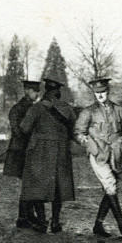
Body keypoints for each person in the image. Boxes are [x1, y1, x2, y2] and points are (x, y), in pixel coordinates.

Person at [75, 77, 122, 239]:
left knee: (110, 188)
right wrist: (90, 145)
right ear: (93, 94)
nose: (100, 95)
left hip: (115, 155)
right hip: (98, 155)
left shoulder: (118, 109)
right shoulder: (88, 111)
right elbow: (78, 133)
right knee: (110, 186)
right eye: (97, 93)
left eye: (103, 92)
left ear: (107, 91)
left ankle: (98, 225)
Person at [19, 77, 76, 233]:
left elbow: (24, 128)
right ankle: (55, 222)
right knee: (58, 187)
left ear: (46, 91)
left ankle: (42, 221)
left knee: (37, 185)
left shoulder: (36, 108)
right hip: (61, 152)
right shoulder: (67, 108)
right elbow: (74, 130)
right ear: (58, 92)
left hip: (39, 152)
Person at [3, 80, 45, 229]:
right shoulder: (18, 109)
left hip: (29, 150)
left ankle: (29, 216)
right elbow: (17, 131)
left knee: (30, 184)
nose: (37, 94)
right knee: (29, 184)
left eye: (38, 91)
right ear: (27, 91)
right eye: (35, 91)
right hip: (21, 151)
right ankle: (23, 217)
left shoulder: (32, 108)